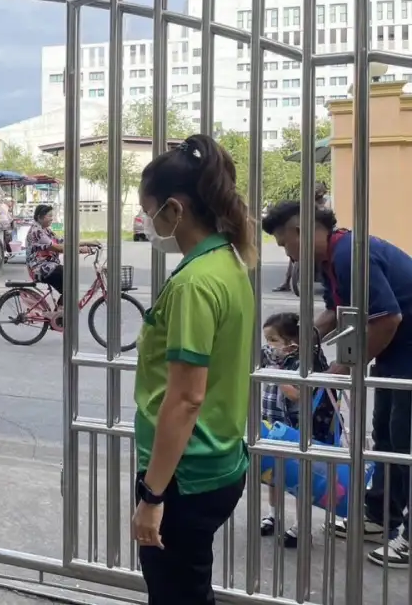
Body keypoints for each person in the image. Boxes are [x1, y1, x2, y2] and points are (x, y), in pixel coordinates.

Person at [132, 134, 254, 604]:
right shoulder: (229, 261)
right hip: (220, 460)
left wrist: (152, 496)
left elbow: (185, 398)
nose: (147, 223)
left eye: (149, 211)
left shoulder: (194, 284)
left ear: (175, 209)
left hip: (185, 474)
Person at [262, 200, 412, 568]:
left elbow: (387, 318)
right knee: (385, 435)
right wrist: (306, 337)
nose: (286, 252)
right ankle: (379, 517)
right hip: (395, 354)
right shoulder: (331, 259)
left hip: (405, 350)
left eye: (284, 243)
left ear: (301, 231)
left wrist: (342, 368)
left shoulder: (350, 255)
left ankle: (406, 537)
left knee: (403, 443)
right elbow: (335, 311)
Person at [258, 311, 338, 547]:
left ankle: (301, 527)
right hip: (274, 425)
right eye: (267, 340)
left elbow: (300, 395)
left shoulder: (304, 363)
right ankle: (274, 515)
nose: (269, 345)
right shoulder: (275, 358)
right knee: (274, 474)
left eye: (274, 340)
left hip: (298, 430)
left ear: (292, 343)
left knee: (299, 479)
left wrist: (279, 378)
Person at [25, 204, 99, 298]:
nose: (52, 218)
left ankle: (63, 304)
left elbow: (62, 242)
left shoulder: (46, 230)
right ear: (40, 217)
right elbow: (57, 247)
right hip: (39, 268)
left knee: (69, 282)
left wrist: (88, 242)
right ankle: (63, 306)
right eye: (49, 216)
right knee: (67, 283)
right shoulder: (36, 232)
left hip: (48, 265)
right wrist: (80, 250)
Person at [273, 183, 328, 293]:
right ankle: (286, 281)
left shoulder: (326, 203)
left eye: (317, 192)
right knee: (292, 256)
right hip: (306, 230)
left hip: (319, 231)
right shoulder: (307, 203)